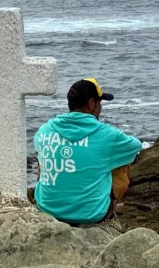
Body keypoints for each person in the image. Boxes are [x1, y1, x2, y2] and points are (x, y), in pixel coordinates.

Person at [33, 78, 142, 231]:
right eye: (100, 102)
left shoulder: (45, 130)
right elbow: (136, 146)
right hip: (92, 214)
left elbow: (38, 145)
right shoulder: (106, 134)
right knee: (122, 159)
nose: (101, 106)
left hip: (48, 209)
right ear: (91, 103)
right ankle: (110, 218)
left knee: (44, 159)